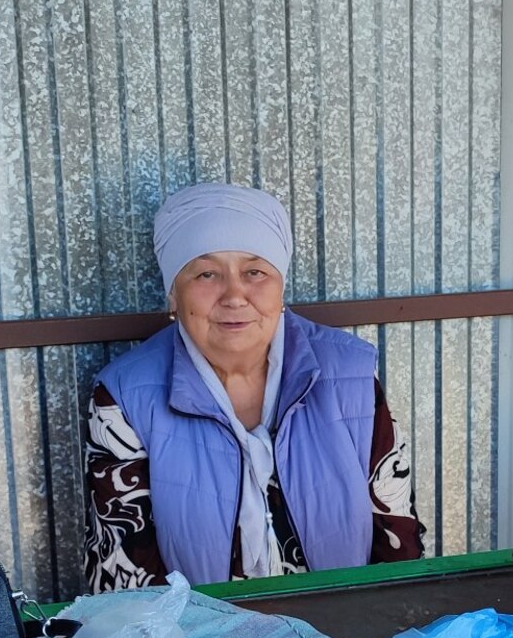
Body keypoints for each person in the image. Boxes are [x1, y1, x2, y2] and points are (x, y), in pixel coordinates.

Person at [85, 182, 424, 588]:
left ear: (281, 287)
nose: (234, 295)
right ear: (173, 296)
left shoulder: (350, 374)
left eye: (255, 272)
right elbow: (125, 575)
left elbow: (397, 542)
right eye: (207, 273)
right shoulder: (123, 396)